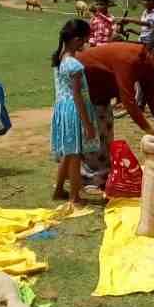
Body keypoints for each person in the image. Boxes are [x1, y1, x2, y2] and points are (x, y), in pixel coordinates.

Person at [74, 35, 154, 195]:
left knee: (106, 133)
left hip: (102, 92)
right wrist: (148, 129)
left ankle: (102, 174)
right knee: (94, 134)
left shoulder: (147, 61)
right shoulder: (129, 60)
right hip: (86, 89)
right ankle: (88, 179)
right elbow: (128, 99)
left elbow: (150, 91)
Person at [50, 19, 100, 204]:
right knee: (76, 155)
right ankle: (74, 197)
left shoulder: (60, 58)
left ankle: (58, 191)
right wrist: (88, 124)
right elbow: (78, 95)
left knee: (69, 152)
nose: (86, 44)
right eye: (85, 40)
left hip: (63, 109)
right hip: (74, 111)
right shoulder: (75, 65)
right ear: (77, 40)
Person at [119, 0, 154, 112]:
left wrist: (129, 20)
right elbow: (146, 32)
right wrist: (132, 30)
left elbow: (148, 25)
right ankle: (139, 105)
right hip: (145, 46)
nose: (145, 2)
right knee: (141, 75)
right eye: (144, 0)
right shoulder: (145, 12)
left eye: (148, 0)